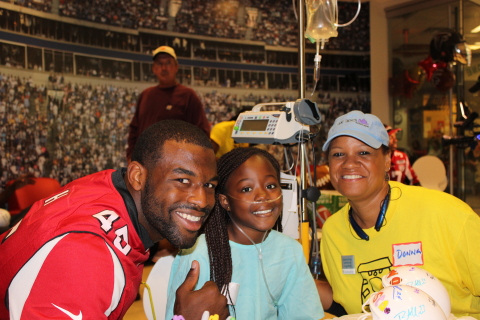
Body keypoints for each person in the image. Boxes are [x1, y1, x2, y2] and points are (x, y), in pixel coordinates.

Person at [0, 120, 229, 320]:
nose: (201, 200)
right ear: (137, 176)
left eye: (209, 185)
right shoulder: (86, 257)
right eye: (182, 180)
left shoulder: (106, 186)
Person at [318, 110, 480, 318]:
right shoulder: (333, 232)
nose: (349, 163)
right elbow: (346, 304)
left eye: (364, 152)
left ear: (387, 160)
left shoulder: (445, 214)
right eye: (338, 154)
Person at [166, 147, 324, 319]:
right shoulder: (198, 254)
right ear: (225, 201)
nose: (263, 195)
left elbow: (302, 315)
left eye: (271, 186)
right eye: (247, 189)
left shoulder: (289, 251)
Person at [126, 46, 211, 161]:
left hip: (175, 163)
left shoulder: (188, 95)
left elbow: (202, 132)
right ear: (154, 68)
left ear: (176, 67)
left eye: (168, 63)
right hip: (146, 161)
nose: (164, 68)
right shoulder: (145, 95)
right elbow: (134, 130)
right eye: (160, 64)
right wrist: (131, 156)